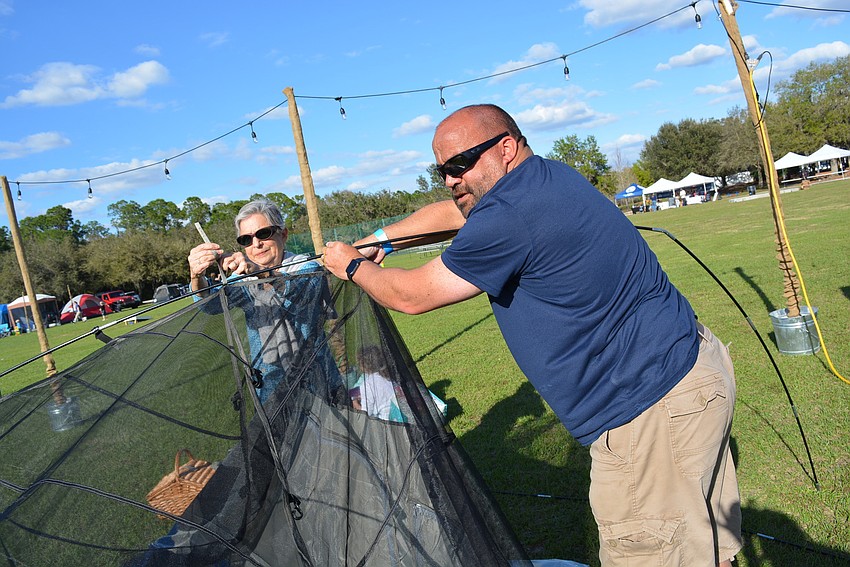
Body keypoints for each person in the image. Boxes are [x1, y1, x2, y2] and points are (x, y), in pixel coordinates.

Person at [324, 104, 741, 567]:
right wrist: (382, 238)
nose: (449, 179)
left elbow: (412, 295)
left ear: (505, 148)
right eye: (441, 170)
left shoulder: (510, 215)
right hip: (691, 377)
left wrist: (351, 264)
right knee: (705, 549)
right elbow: (453, 213)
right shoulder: (544, 178)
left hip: (648, 414)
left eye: (460, 165)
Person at [187, 199, 339, 404]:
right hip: (271, 386)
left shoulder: (306, 267)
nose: (256, 244)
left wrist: (258, 271)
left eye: (264, 234)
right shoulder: (242, 280)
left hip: (320, 380)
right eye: (246, 240)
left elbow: (299, 292)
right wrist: (197, 276)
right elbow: (209, 304)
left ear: (283, 235)